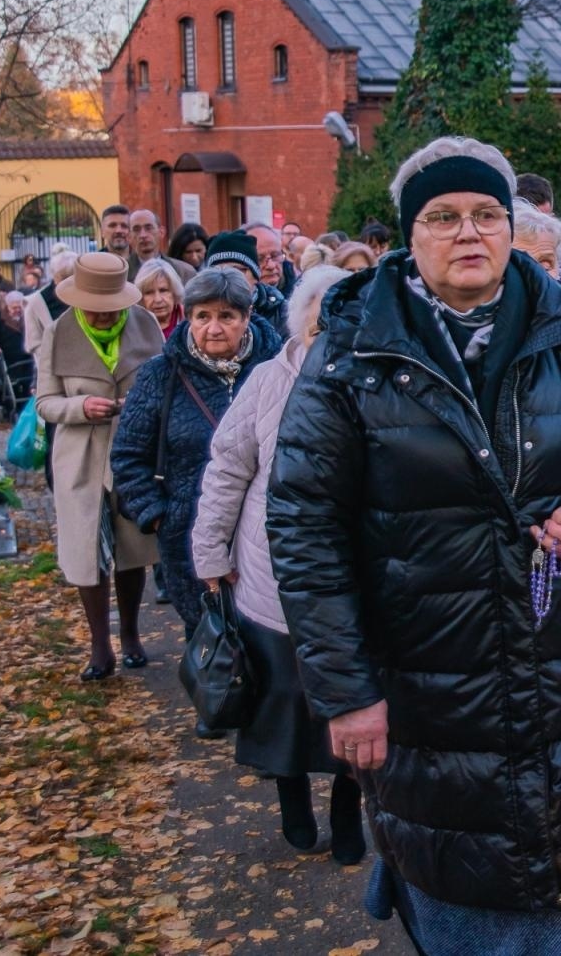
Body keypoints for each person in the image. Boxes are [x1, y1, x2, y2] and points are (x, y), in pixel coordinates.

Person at [266, 136, 561, 954]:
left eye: (486, 214)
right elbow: (304, 525)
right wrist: (344, 689)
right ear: (410, 237)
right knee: (460, 877)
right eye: (442, 217)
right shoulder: (353, 354)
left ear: (513, 228)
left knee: (559, 866)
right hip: (425, 688)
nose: (468, 232)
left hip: (555, 678)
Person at [190, 265, 367, 864]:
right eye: (316, 326)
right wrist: (210, 551)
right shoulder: (269, 379)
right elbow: (227, 468)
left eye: (338, 326)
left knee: (352, 697)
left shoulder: (376, 379)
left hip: (353, 576)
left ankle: (349, 806)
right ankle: (292, 795)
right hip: (269, 573)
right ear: (299, 326)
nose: (326, 338)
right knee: (283, 701)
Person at [111, 268, 281, 656]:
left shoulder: (277, 368)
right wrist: (159, 515)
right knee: (209, 640)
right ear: (188, 317)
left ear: (247, 316)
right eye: (203, 316)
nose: (214, 328)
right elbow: (128, 455)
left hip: (266, 529)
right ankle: (217, 713)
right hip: (190, 531)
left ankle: (271, 715)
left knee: (271, 639)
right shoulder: (161, 375)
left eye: (227, 316)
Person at [33, 253, 162, 680]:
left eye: (111, 308)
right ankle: (98, 645)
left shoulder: (146, 324)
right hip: (80, 459)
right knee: (87, 550)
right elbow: (45, 402)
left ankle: (130, 634)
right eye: (95, 307)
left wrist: (139, 407)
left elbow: (164, 385)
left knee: (131, 549)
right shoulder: (58, 332)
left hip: (131, 453)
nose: (103, 315)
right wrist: (80, 406)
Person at [204, 230, 290, 338]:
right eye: (216, 272)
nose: (226, 278)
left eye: (237, 271)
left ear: (255, 276)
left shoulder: (282, 313)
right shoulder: (198, 313)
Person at [24, 249, 77, 354]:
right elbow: (33, 343)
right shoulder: (36, 302)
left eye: (74, 276)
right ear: (54, 276)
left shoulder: (89, 295)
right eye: (64, 277)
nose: (70, 282)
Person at [128, 210, 197, 283]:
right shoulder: (121, 273)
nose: (143, 235)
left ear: (161, 232)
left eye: (149, 228)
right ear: (129, 237)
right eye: (136, 230)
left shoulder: (184, 272)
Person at [135, 258, 185, 340]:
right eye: (149, 292)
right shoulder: (133, 326)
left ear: (174, 292)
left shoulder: (190, 321)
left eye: (163, 290)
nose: (158, 299)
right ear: (141, 298)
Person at [240, 221, 293, 298]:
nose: (271, 266)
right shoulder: (228, 303)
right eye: (259, 259)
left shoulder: (302, 297)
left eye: (275, 256)